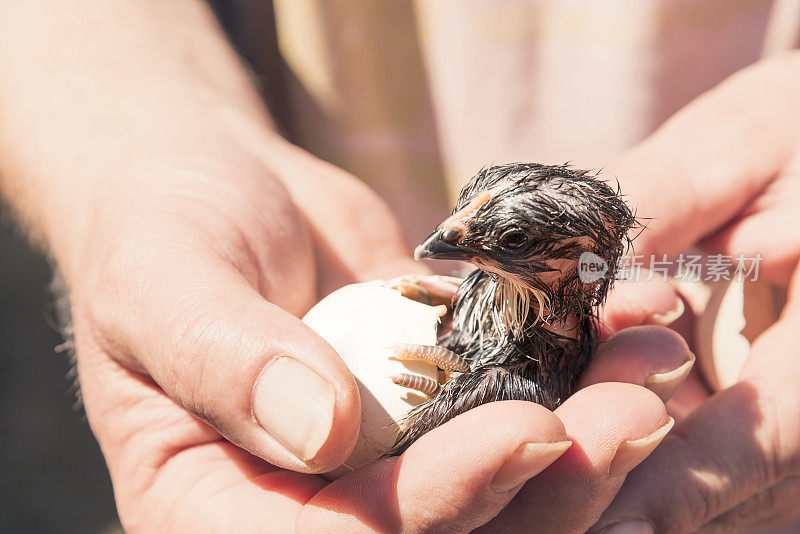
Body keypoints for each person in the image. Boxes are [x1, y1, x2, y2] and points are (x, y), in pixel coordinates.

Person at [0, 1, 797, 532]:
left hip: (720, 305)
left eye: (500, 246)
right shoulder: (498, 293)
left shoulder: (561, 315)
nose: (447, 252)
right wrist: (135, 135)